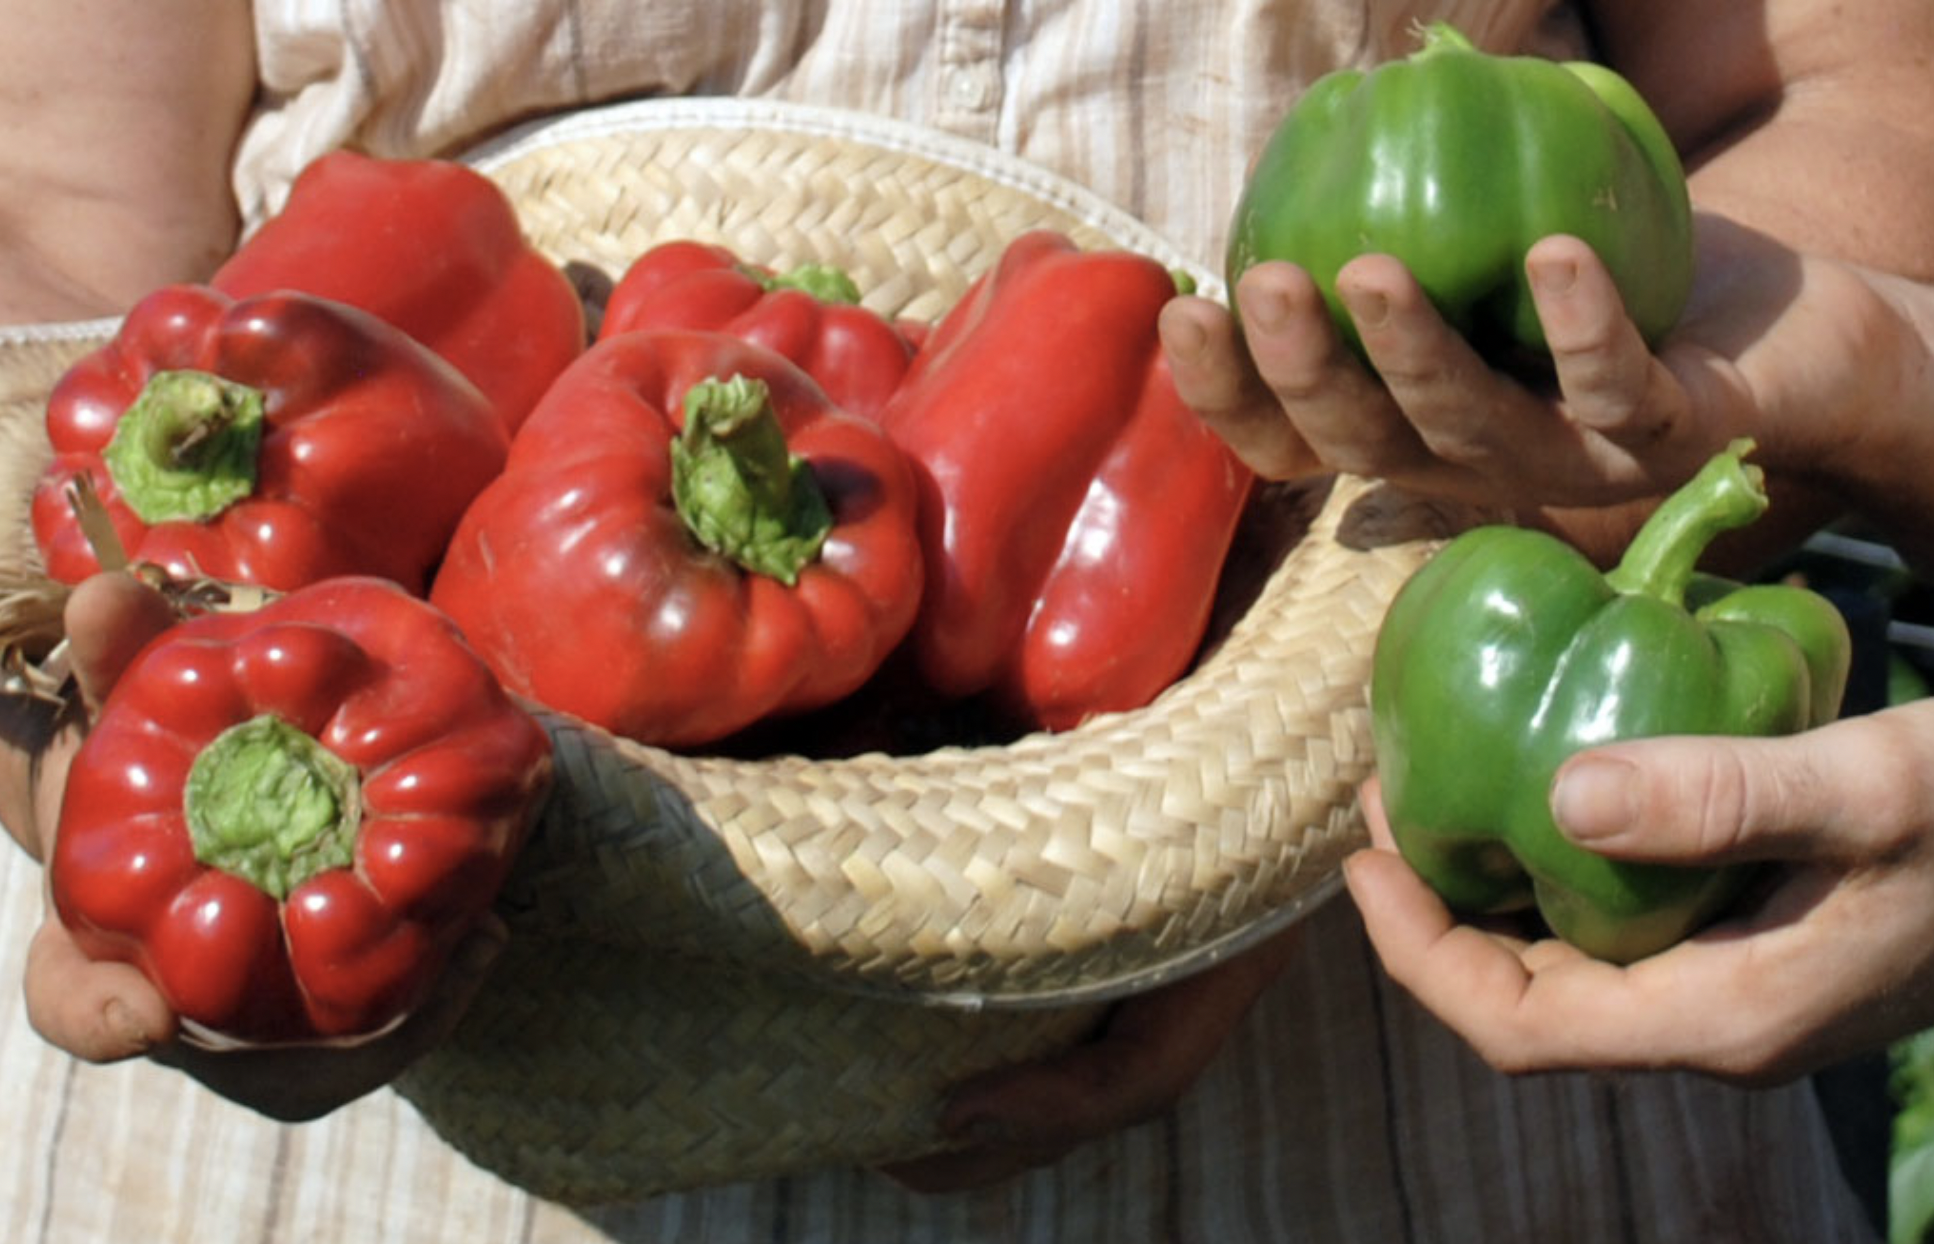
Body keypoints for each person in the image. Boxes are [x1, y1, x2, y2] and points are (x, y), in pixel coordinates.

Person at [3, 0, 1931, 1239]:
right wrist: (85, 754)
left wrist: (1373, 721)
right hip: (345, 1067)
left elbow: (1844, 107)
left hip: (1395, 1041)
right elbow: (50, 228)